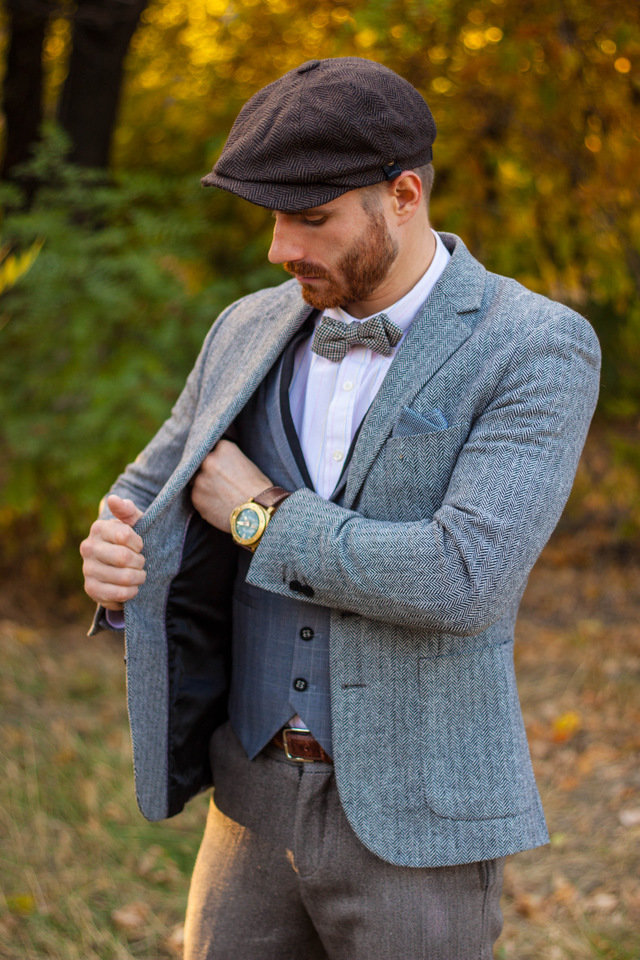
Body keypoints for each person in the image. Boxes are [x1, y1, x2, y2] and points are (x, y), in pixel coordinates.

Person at [80, 57, 601, 959]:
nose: (280, 249)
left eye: (311, 219)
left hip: (419, 817)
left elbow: (463, 577)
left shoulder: (536, 346)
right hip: (248, 795)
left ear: (403, 195)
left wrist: (261, 516)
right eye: (273, 217)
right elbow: (147, 491)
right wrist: (113, 551)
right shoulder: (246, 325)